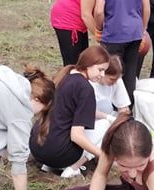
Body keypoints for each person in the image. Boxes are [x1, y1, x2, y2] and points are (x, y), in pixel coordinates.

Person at [29, 45, 110, 178]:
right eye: (100, 70)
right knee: (106, 126)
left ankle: (48, 165)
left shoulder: (65, 74)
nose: (102, 75)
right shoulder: (85, 88)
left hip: (37, 148)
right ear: (88, 64)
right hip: (60, 155)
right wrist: (103, 156)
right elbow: (76, 136)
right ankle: (73, 167)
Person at [92, 0, 150, 104]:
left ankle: (111, 109)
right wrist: (143, 29)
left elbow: (98, 10)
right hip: (134, 33)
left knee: (110, 73)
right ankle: (127, 113)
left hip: (114, 33)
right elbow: (146, 8)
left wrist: (99, 28)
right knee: (130, 73)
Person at [91, 55, 131, 120]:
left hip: (109, 118)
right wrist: (108, 118)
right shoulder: (88, 83)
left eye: (117, 79)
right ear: (102, 72)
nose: (115, 83)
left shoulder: (117, 80)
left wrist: (122, 119)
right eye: (112, 79)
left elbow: (124, 107)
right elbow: (87, 111)